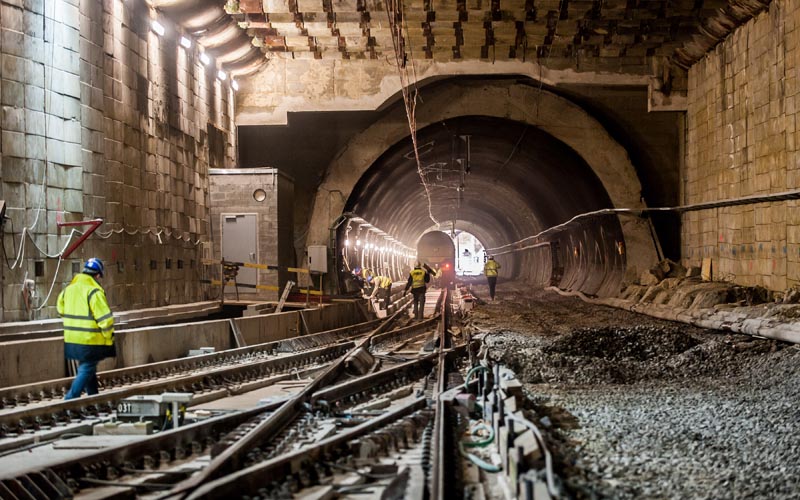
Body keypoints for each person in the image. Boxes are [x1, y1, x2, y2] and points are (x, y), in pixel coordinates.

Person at [57, 258, 115, 400]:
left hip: (71, 338)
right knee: (87, 367)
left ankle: (93, 398)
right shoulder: (94, 292)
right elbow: (105, 320)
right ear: (97, 275)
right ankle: (69, 399)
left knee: (89, 367)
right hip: (90, 339)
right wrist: (109, 337)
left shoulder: (68, 290)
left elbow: (60, 309)